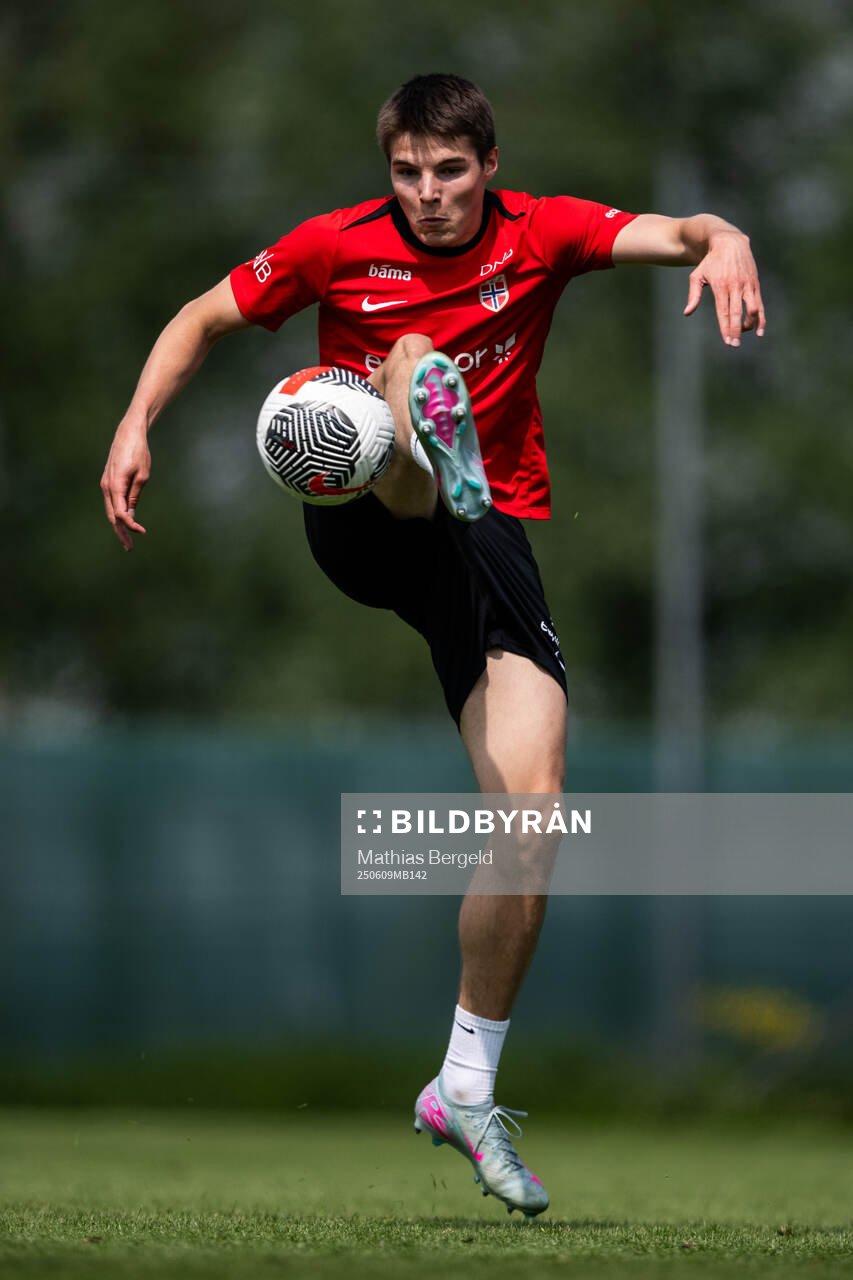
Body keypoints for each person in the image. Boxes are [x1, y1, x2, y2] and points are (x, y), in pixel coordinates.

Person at [101, 73, 765, 1217]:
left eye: (449, 171)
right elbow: (203, 316)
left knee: (534, 818)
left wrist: (729, 236)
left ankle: (463, 1082)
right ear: (389, 169)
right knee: (408, 360)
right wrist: (135, 421)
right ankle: (423, 429)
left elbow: (682, 230)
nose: (428, 194)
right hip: (366, 515)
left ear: (488, 166)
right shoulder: (335, 243)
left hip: (486, 541)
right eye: (407, 172)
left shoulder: (541, 229)